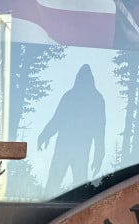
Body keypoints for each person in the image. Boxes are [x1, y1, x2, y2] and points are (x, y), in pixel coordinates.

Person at [37, 64, 107, 197]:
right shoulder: (87, 98)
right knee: (55, 185)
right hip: (66, 149)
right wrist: (44, 136)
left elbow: (99, 131)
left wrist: (99, 156)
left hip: (75, 150)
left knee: (78, 187)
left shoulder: (85, 98)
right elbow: (57, 120)